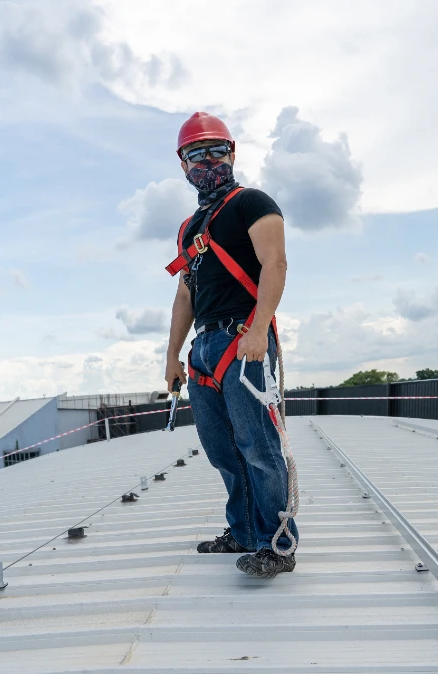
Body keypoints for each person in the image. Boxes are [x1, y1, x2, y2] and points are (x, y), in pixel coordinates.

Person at [164, 112, 298, 578]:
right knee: (222, 449)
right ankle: (242, 532)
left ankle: (276, 545)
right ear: (183, 164)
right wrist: (173, 358)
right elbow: (185, 295)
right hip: (204, 347)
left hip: (244, 337)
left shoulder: (251, 203)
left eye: (215, 151)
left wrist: (260, 329)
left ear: (233, 152)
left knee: (258, 446)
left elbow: (275, 264)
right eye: (195, 155)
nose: (207, 162)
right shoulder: (189, 228)